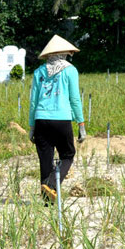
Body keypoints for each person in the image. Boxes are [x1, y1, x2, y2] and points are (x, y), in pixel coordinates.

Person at [28, 34, 85, 202]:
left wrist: (32, 127)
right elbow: (74, 98)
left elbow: (33, 101)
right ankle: (52, 185)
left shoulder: (39, 72)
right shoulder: (70, 70)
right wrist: (80, 123)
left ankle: (47, 203)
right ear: (64, 53)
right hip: (61, 119)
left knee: (45, 160)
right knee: (67, 155)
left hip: (41, 120)